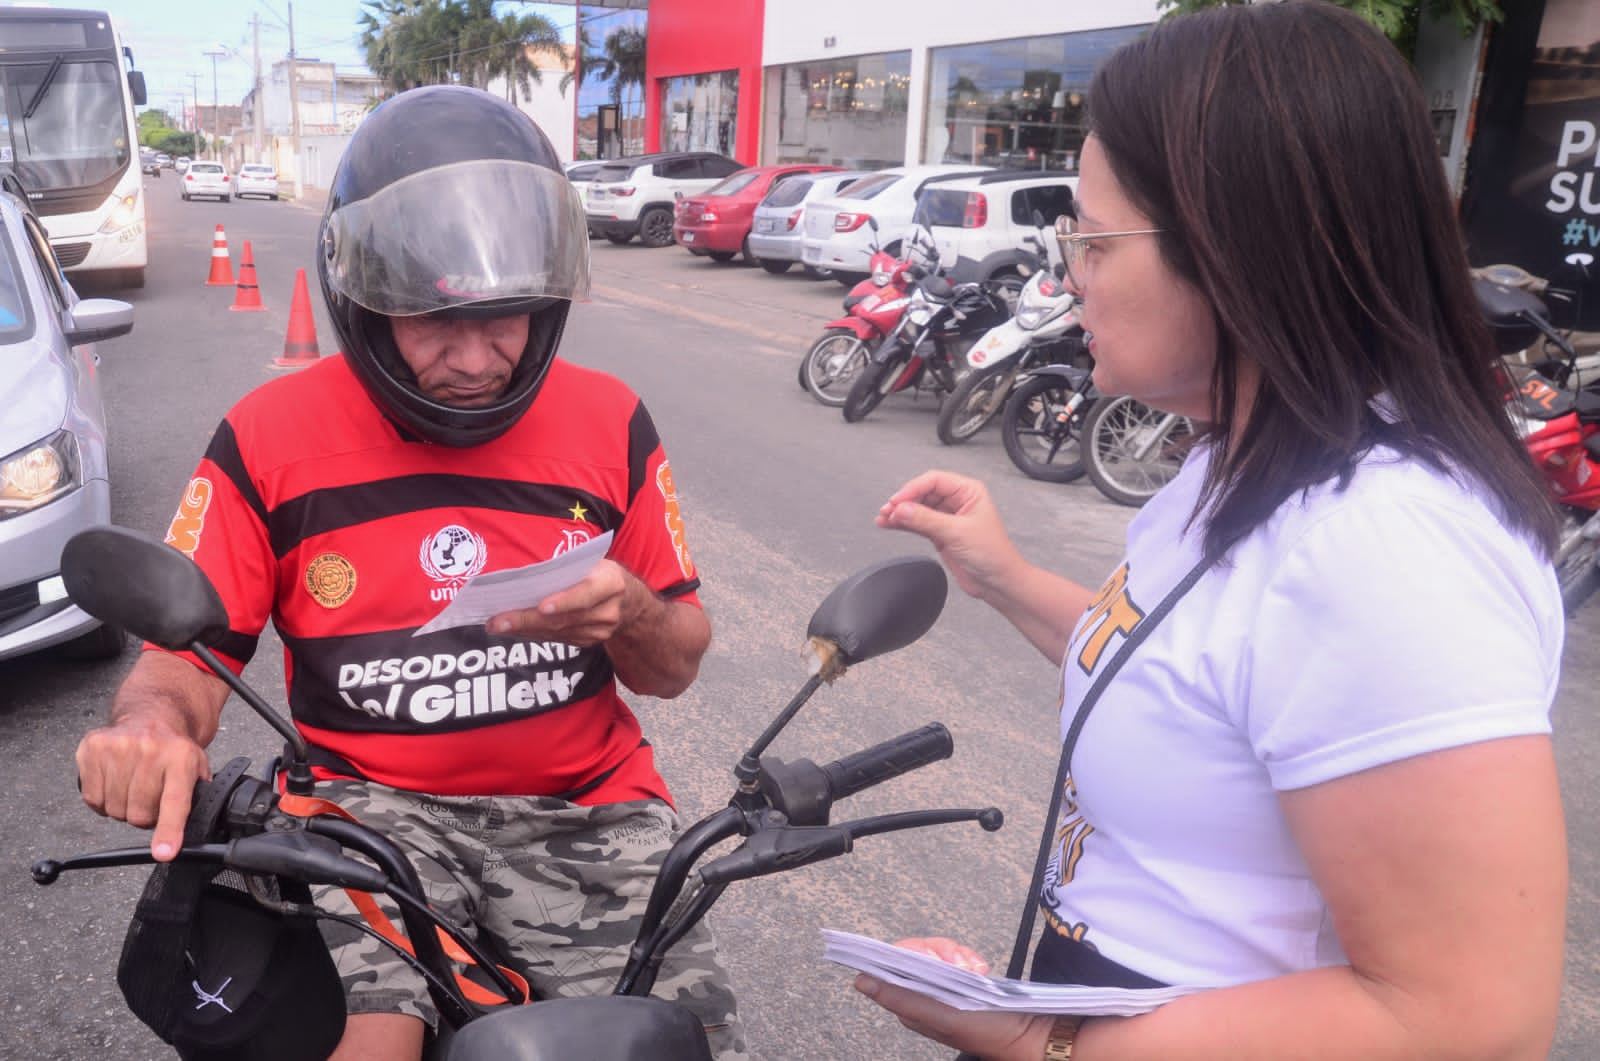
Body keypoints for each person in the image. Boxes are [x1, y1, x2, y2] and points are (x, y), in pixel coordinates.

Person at [853, 4, 1569, 1059]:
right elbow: (1187, 683)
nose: (1066, 271)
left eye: (1092, 236)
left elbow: (1467, 1016)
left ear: (1235, 247)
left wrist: (1040, 1039)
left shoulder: (1385, 550)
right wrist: (1002, 576)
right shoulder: (1232, 461)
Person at [73, 85, 746, 1061]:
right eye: (433, 322)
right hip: (370, 817)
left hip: (590, 810)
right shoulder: (270, 438)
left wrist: (633, 611)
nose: (476, 359)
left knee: (682, 1040)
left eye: (507, 317)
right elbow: (186, 657)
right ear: (361, 301)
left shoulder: (611, 421)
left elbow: (675, 663)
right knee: (368, 1041)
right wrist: (147, 727)